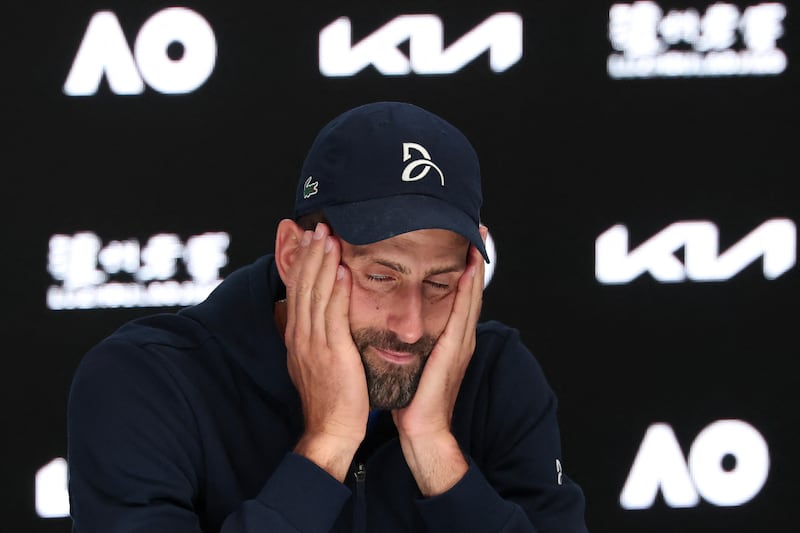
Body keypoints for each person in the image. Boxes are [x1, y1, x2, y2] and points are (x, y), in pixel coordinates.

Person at [67, 101, 588, 532]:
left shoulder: (498, 375)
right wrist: (330, 442)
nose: (410, 326)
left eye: (439, 284)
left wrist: (434, 449)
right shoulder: (145, 382)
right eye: (381, 277)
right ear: (294, 255)